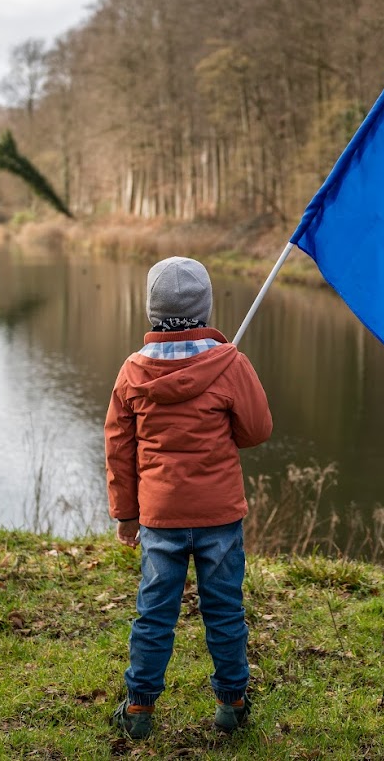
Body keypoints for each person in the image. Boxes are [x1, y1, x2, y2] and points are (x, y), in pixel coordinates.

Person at [105, 256, 273, 739]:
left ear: (151, 310)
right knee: (224, 609)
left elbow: (119, 447)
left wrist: (126, 515)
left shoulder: (133, 372)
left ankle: (139, 710)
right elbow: (256, 430)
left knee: (155, 611)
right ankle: (233, 704)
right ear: (205, 307)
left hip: (160, 517)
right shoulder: (229, 364)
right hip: (219, 514)